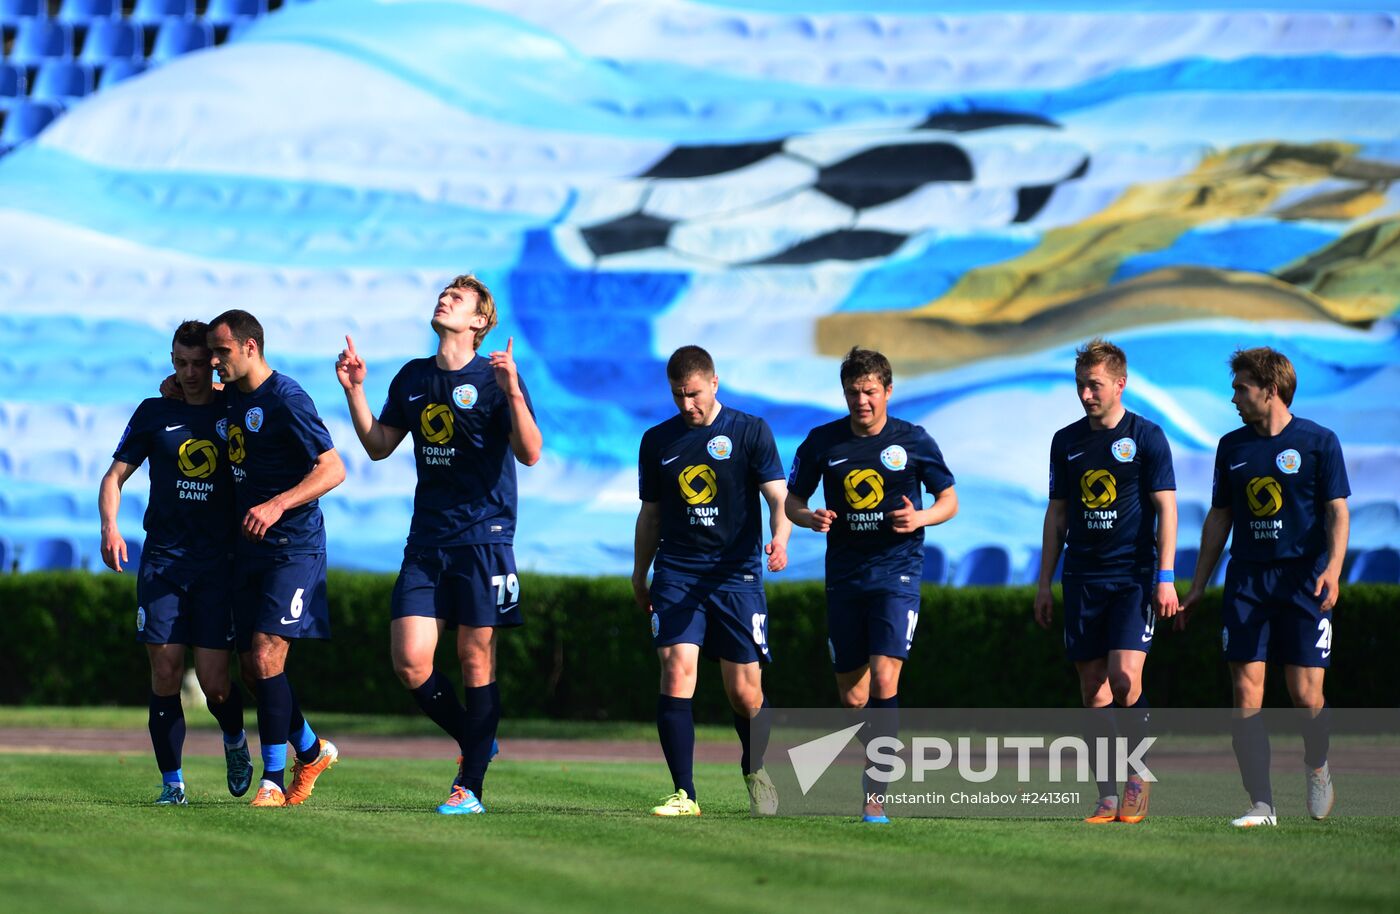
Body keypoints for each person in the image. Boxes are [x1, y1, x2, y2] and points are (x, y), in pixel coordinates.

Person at [335, 275, 541, 815]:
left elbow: (531, 452)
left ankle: (469, 786)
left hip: (484, 538)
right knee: (410, 662)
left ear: (479, 321)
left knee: (476, 660)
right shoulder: (413, 377)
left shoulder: (497, 378)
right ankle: (478, 737)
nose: (444, 299)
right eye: (443, 294)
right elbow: (379, 446)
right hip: (427, 538)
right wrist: (354, 390)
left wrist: (515, 390)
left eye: (459, 298)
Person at [785, 346, 958, 824]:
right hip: (844, 576)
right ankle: (887, 741)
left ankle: (874, 791)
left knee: (885, 679)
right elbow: (793, 502)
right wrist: (809, 517)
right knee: (854, 697)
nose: (861, 401)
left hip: (896, 571)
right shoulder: (822, 441)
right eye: (853, 392)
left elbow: (949, 500)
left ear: (887, 391)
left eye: (869, 392)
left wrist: (919, 517)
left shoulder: (914, 440)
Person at [1180, 347, 1349, 827]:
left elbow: (1338, 512)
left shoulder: (1319, 442)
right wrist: (1198, 586)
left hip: (1303, 581)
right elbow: (1220, 517)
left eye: (1240, 388)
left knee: (1305, 694)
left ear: (1269, 389)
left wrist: (1333, 569)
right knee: (1245, 692)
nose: (1233, 397)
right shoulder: (1231, 448)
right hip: (1248, 582)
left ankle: (1317, 765)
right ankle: (1262, 804)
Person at [98, 320, 253, 805]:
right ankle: (173, 784)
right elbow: (113, 476)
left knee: (214, 685)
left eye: (196, 363)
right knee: (164, 671)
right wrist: (110, 526)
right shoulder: (153, 412)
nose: (187, 374)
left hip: (217, 565)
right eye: (178, 364)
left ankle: (234, 739)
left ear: (214, 361)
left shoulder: (236, 408)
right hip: (163, 561)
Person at [633, 345, 791, 817]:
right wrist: (640, 573)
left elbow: (779, 498)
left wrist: (781, 538)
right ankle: (685, 794)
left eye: (695, 394)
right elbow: (650, 516)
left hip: (736, 576)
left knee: (746, 694)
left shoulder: (749, 431)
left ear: (715, 383)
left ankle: (755, 768)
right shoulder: (657, 440)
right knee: (676, 670)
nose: (688, 405)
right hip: (678, 574)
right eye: (679, 396)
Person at [1032, 338, 1178, 824]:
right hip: (1082, 579)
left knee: (1124, 678)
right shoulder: (1066, 441)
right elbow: (1057, 515)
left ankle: (1138, 777)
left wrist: (1166, 576)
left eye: (1093, 385)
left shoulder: (1148, 436)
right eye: (1080, 385)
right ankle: (1107, 795)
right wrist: (1043, 583)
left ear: (1119, 383)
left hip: (1133, 577)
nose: (1085, 395)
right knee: (1093, 688)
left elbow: (1167, 508)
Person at [207, 309, 346, 808]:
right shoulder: (230, 401)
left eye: (221, 352)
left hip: (294, 546)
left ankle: (272, 780)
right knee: (253, 672)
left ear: (250, 347)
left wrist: (277, 503)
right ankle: (310, 750)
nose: (214, 362)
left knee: (267, 657)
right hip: (249, 551)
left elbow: (333, 469)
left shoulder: (287, 398)